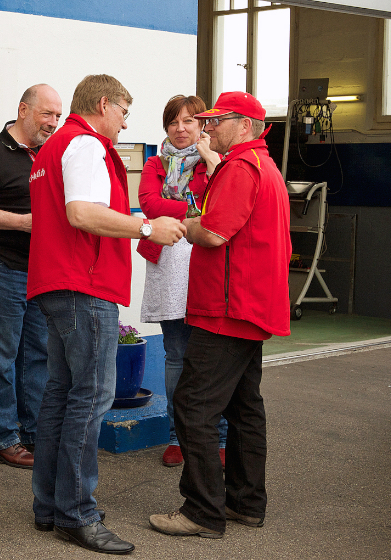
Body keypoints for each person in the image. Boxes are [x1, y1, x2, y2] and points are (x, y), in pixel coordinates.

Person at [27, 74, 186, 555]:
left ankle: (51, 506)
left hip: (57, 285)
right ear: (103, 103)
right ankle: (77, 512)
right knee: (90, 398)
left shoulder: (54, 148)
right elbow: (82, 213)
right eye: (123, 111)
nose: (123, 122)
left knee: (61, 393)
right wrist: (146, 226)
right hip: (83, 286)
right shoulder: (85, 145)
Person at [149, 91, 291, 539]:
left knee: (193, 405)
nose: (206, 129)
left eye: (215, 122)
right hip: (251, 305)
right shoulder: (264, 166)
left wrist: (184, 225)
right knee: (244, 407)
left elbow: (211, 232)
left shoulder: (239, 167)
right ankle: (244, 503)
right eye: (204, 122)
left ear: (244, 125)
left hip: (228, 308)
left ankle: (201, 511)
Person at [0, 84, 62, 469]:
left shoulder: (50, 153)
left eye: (58, 115)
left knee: (37, 356)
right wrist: (23, 223)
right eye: (46, 114)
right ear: (23, 110)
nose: (53, 122)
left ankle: (35, 433)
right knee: (0, 359)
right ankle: (3, 437)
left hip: (38, 270)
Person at [136, 95, 227, 468]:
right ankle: (176, 436)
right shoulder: (155, 163)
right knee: (176, 356)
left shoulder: (216, 164)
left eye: (189, 121)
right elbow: (148, 204)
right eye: (174, 122)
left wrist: (210, 162)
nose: (181, 128)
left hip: (205, 261)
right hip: (168, 266)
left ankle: (218, 438)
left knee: (211, 360)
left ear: (203, 126)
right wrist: (193, 210)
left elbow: (220, 206)